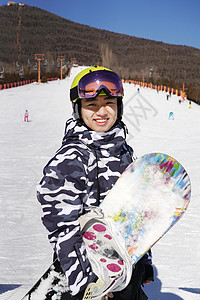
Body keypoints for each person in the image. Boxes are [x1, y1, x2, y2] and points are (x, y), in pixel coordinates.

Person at [37, 66, 154, 299]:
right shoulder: (70, 158)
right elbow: (63, 228)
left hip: (126, 271)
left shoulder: (125, 153)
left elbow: (135, 216)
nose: (102, 111)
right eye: (92, 105)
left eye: (109, 102)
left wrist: (144, 262)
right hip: (89, 274)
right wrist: (89, 284)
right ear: (78, 109)